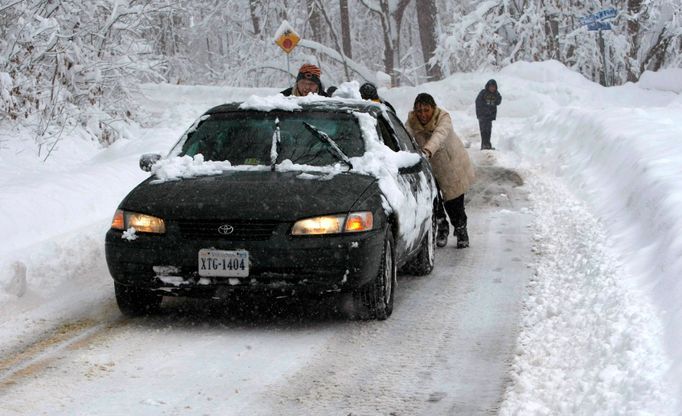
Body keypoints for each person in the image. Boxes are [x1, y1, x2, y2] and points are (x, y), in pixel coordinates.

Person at [406, 93, 475, 248]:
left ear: (433, 108)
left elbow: (439, 135)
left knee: (454, 203)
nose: (422, 114)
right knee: (433, 200)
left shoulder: (443, 118)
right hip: (429, 167)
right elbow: (405, 137)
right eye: (419, 110)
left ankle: (460, 228)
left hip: (451, 165)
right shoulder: (411, 122)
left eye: (426, 110)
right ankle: (442, 228)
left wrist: (427, 151)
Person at [475, 79, 502, 150]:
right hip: (482, 115)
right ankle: (484, 145)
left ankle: (488, 145)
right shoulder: (483, 93)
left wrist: (497, 96)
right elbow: (478, 102)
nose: (492, 88)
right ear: (488, 86)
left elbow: (498, 101)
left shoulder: (496, 93)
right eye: (491, 87)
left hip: (489, 116)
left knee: (488, 130)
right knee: (483, 130)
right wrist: (484, 109)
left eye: (494, 87)